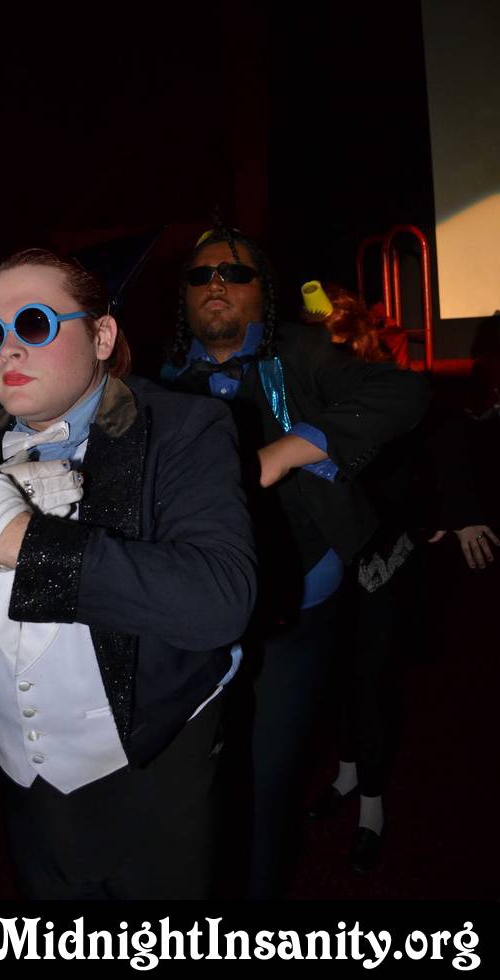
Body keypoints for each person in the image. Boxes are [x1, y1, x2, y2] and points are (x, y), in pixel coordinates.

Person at [0, 248, 256, 901]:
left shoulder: (183, 427)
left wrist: (22, 539)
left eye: (34, 323)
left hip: (152, 768)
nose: (7, 349)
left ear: (102, 335)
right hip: (16, 773)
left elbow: (219, 599)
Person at [161, 225, 430, 898]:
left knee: (265, 779)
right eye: (200, 275)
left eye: (234, 273)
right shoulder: (161, 376)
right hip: (199, 612)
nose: (215, 284)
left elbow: (403, 393)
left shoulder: (299, 352)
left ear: (264, 291)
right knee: (192, 782)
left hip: (294, 609)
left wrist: (285, 453)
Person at [303, 281, 499, 872]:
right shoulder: (300, 387)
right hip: (321, 560)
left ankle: (372, 806)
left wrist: (457, 513)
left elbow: (440, 433)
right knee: (335, 678)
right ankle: (347, 775)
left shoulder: (387, 387)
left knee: (369, 683)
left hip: (379, 555)